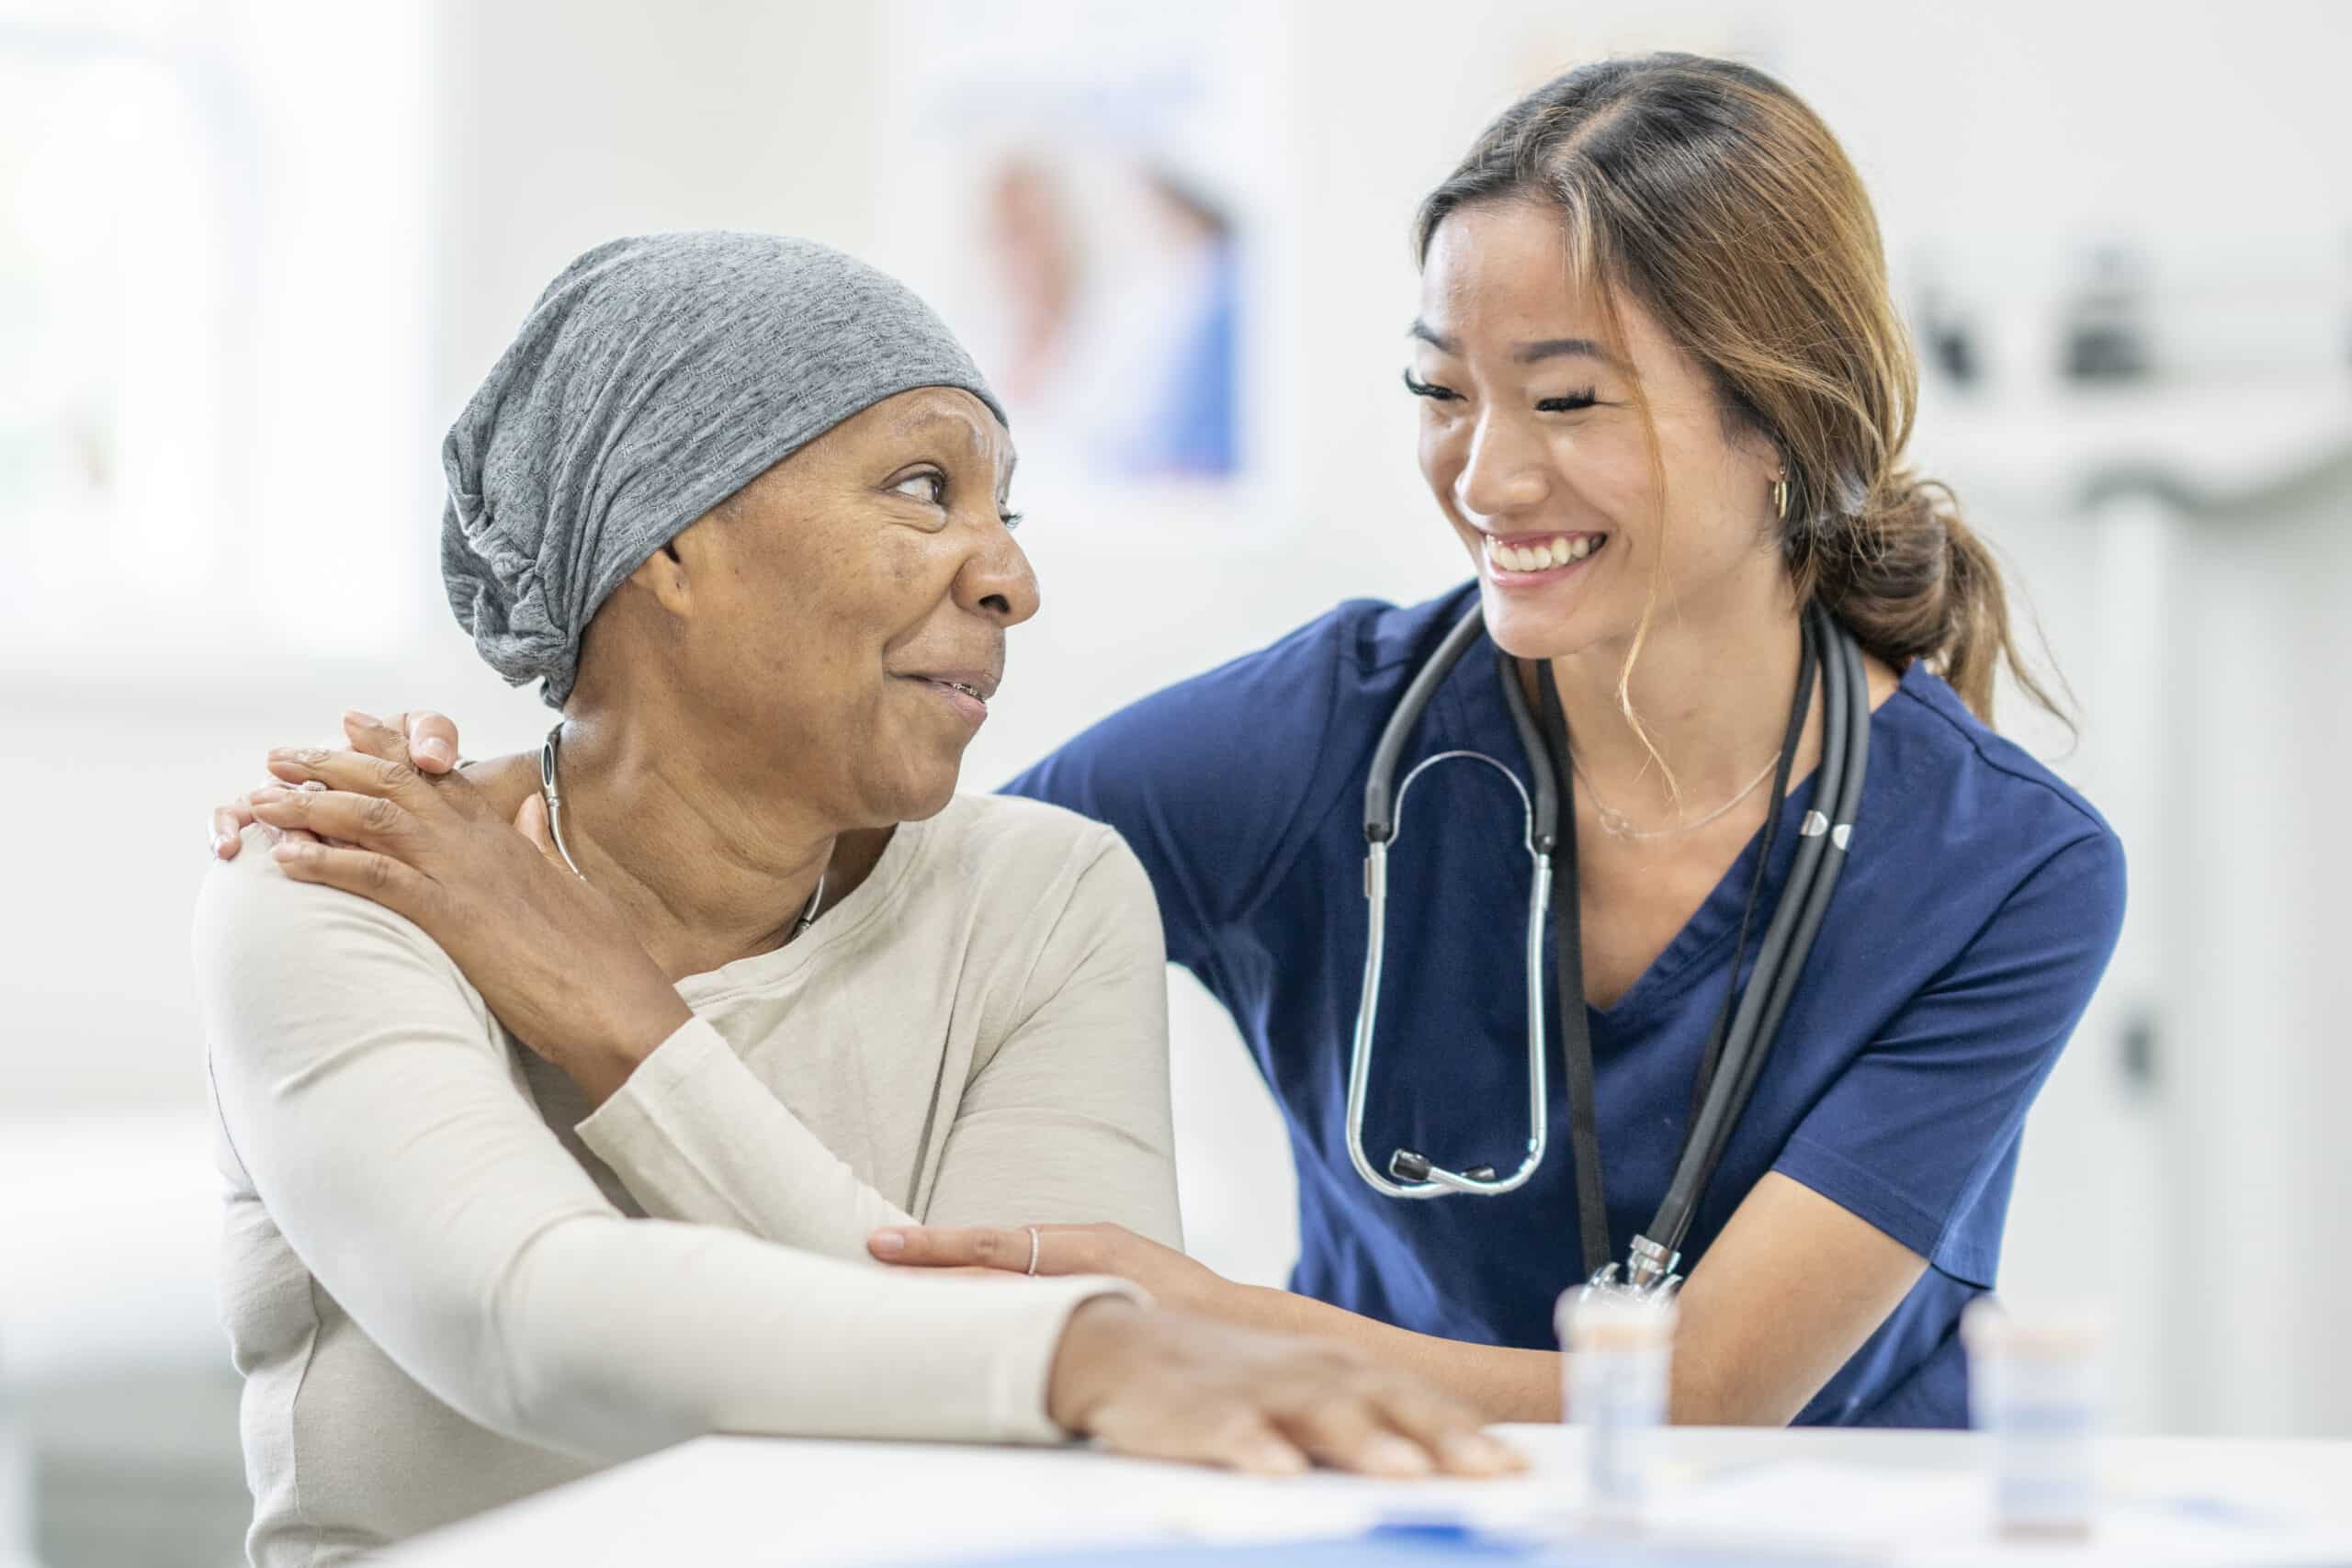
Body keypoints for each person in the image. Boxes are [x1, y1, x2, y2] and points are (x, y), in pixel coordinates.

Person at [213, 55, 2125, 1436]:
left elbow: (1708, 1397)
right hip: (1389, 1504)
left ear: (1783, 422)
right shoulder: (1315, 746)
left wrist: (1190, 1320)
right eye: (1439, 392)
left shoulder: (2006, 867)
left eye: (1565, 400)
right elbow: (901, 923)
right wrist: (531, 831)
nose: (1484, 474)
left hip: (1825, 1520)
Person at [195, 232, 1515, 1566]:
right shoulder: (350, 877)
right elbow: (517, 1315)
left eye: (1007, 515)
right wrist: (1083, 1355)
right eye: (924, 488)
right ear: (667, 542)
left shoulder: (1045, 897)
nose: (1012, 581)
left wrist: (631, 1028)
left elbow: (1013, 1440)